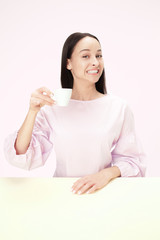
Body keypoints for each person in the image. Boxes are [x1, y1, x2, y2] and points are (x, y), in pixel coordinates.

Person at [4, 32, 146, 194]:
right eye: (86, 56)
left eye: (99, 55)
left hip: (104, 193)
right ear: (68, 63)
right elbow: (21, 155)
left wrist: (104, 175)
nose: (95, 62)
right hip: (63, 194)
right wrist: (32, 112)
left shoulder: (119, 107)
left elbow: (134, 161)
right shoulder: (53, 108)